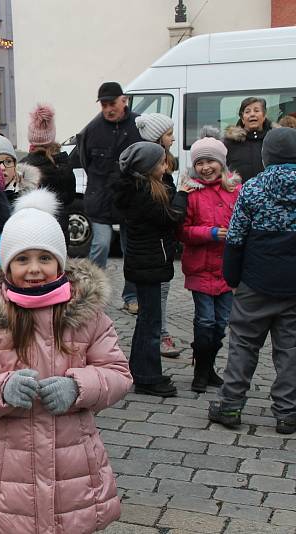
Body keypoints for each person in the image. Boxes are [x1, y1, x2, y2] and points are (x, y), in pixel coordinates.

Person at [0, 189, 132, 534]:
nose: (34, 269)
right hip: (9, 472)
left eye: (44, 258)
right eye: (22, 259)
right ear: (7, 265)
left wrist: (78, 386)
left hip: (74, 466)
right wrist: (2, 389)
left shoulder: (86, 314)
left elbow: (118, 374)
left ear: (60, 262)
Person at [209, 127, 296, 435]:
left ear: (266, 155)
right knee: (291, 349)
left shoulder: (253, 188)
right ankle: (288, 413)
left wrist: (232, 277)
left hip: (256, 281)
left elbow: (235, 238)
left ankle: (230, 405)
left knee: (243, 345)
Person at [113, 142, 189, 397]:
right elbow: (171, 216)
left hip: (147, 262)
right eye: (160, 163)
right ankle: (147, 378)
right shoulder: (142, 192)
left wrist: (168, 180)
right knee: (151, 322)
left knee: (148, 320)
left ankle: (143, 371)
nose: (165, 166)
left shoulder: (145, 185)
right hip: (147, 264)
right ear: (146, 168)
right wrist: (184, 194)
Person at [176, 137, 240, 393]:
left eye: (210, 161)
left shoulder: (236, 190)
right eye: (200, 162)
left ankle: (209, 367)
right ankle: (200, 371)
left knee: (221, 323)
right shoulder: (192, 193)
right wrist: (210, 233)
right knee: (205, 322)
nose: (205, 167)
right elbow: (183, 231)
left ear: (221, 163)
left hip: (226, 270)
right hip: (201, 268)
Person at [77, 82, 143, 313]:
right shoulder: (92, 129)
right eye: (103, 105)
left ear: (123, 100)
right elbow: (85, 160)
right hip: (101, 198)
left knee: (131, 250)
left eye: (111, 103)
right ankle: (92, 295)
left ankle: (132, 297)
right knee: (101, 245)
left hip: (129, 199)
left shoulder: (139, 124)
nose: (108, 109)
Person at [136, 112, 182, 358]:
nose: (173, 139)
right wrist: (182, 195)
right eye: (169, 134)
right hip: (154, 250)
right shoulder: (150, 179)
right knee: (154, 300)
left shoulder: (160, 169)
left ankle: (159, 334)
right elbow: (168, 213)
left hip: (162, 247)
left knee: (160, 293)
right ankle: (159, 338)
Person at [18, 104, 76, 239]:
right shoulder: (63, 165)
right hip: (59, 232)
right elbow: (70, 198)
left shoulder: (23, 167)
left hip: (31, 231)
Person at [224, 97, 273, 182]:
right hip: (240, 193)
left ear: (264, 116)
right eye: (247, 111)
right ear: (242, 119)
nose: (252, 114)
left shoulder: (274, 140)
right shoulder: (229, 142)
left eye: (256, 111)